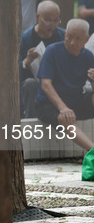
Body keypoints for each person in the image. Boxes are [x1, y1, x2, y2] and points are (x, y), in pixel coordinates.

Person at [34, 19, 94, 151]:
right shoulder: (52, 51)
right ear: (65, 33)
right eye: (69, 37)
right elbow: (45, 84)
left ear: (86, 39)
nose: (72, 42)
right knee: (65, 118)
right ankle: (92, 151)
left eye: (78, 39)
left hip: (75, 102)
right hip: (48, 104)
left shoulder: (88, 56)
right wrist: (63, 108)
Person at [19, 1, 64, 119]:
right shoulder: (25, 38)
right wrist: (27, 61)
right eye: (48, 20)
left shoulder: (63, 36)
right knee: (29, 84)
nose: (52, 25)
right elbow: (16, 73)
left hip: (58, 82)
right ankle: (32, 124)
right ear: (38, 17)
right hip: (35, 84)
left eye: (56, 20)